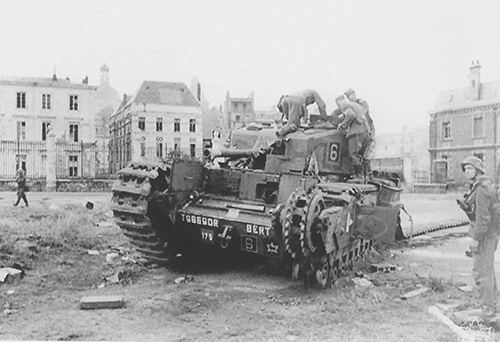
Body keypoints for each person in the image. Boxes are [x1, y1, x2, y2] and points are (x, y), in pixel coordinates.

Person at [458, 156, 499, 320]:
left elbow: (483, 218)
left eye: (470, 168)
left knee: (481, 272)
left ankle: (488, 309)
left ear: (478, 170)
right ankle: (491, 304)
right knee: (487, 271)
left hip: (484, 235)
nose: (466, 171)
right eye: (465, 168)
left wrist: (476, 239)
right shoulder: (483, 185)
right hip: (490, 234)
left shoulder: (481, 188)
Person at [335, 95, 369, 176]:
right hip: (365, 131)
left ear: (340, 101)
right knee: (360, 154)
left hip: (356, 131)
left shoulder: (345, 105)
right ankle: (364, 175)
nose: (339, 106)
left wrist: (342, 125)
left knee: (353, 153)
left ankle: (358, 177)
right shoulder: (356, 105)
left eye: (338, 104)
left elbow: (350, 115)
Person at [345, 88, 375, 167]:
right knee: (361, 154)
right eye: (348, 97)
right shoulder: (351, 105)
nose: (350, 98)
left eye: (350, 95)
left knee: (358, 153)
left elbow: (361, 113)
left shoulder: (362, 102)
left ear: (354, 94)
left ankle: (361, 173)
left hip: (366, 129)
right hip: (364, 130)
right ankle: (363, 173)